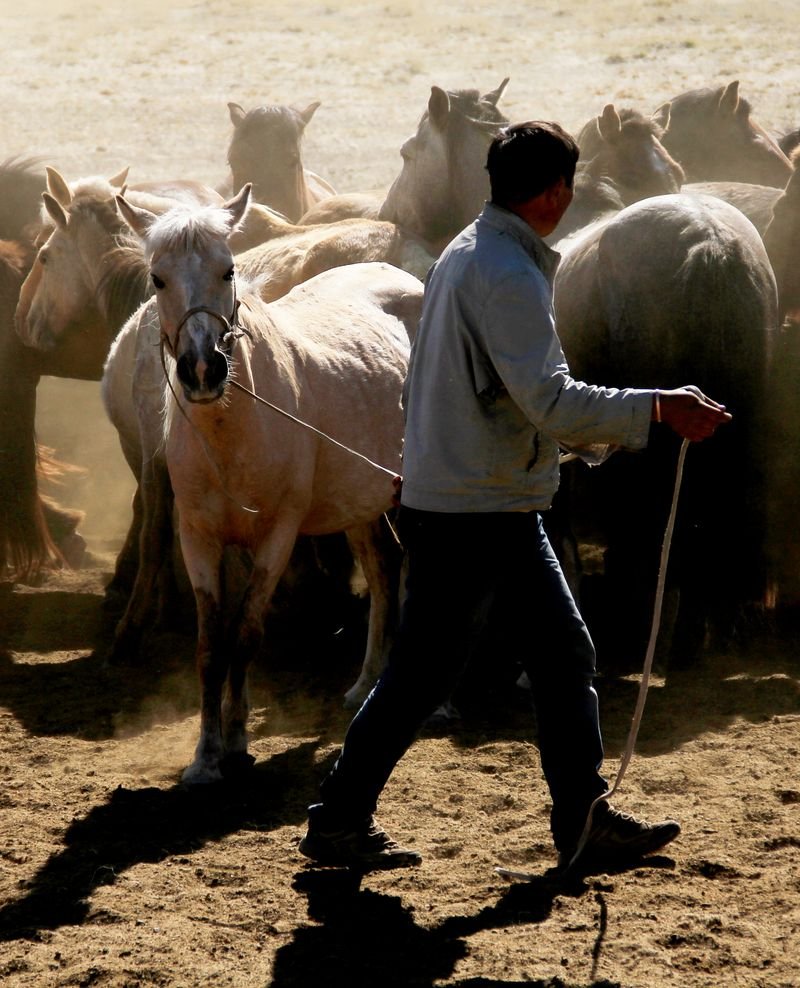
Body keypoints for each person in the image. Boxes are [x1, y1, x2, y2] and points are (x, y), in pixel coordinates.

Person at [299, 121, 732, 873]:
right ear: (557, 191)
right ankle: (340, 820)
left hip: (474, 499)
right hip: (482, 509)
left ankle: (579, 821)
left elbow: (440, 383)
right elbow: (552, 402)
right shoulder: (507, 271)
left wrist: (426, 467)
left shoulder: (466, 254)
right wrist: (658, 407)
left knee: (550, 655)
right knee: (429, 677)